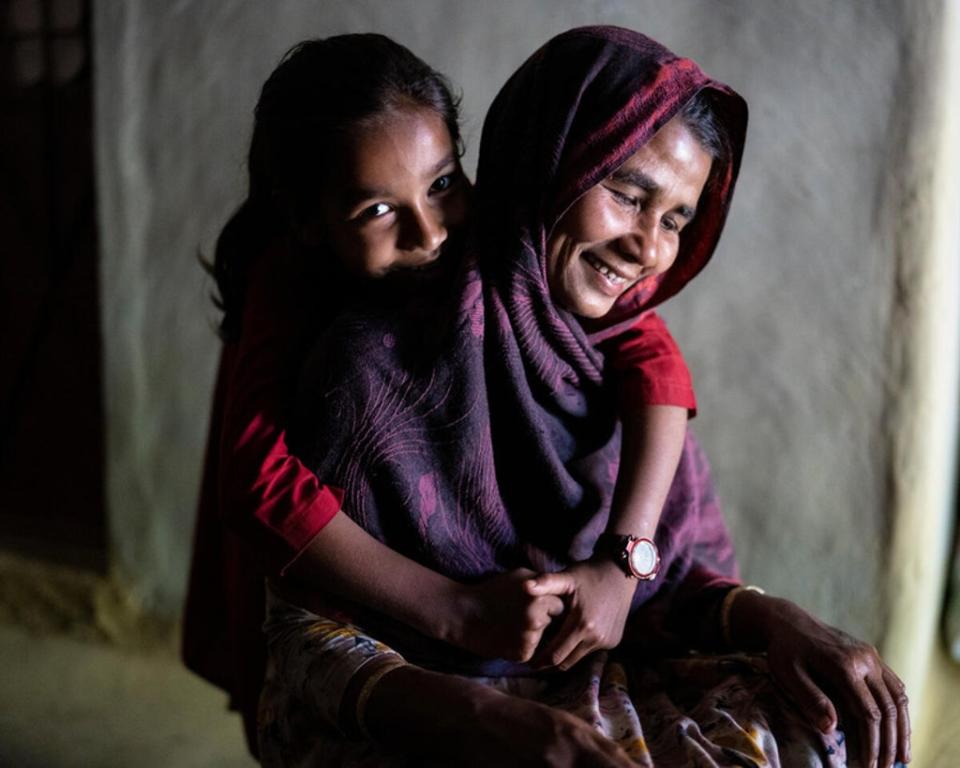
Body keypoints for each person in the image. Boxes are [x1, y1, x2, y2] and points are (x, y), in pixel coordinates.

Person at [259, 26, 911, 767]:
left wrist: (771, 618)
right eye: (629, 195)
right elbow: (305, 636)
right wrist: (475, 715)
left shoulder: (618, 355)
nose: (649, 248)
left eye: (676, 219)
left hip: (608, 683)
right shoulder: (371, 368)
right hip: (432, 709)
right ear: (549, 163)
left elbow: (661, 584)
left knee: (829, 726)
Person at [181, 31, 700, 755]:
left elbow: (647, 349)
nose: (428, 232)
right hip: (314, 552)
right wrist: (451, 610)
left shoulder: (495, 241)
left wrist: (622, 561)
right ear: (309, 222)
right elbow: (258, 483)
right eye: (376, 212)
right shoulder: (288, 282)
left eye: (443, 182)